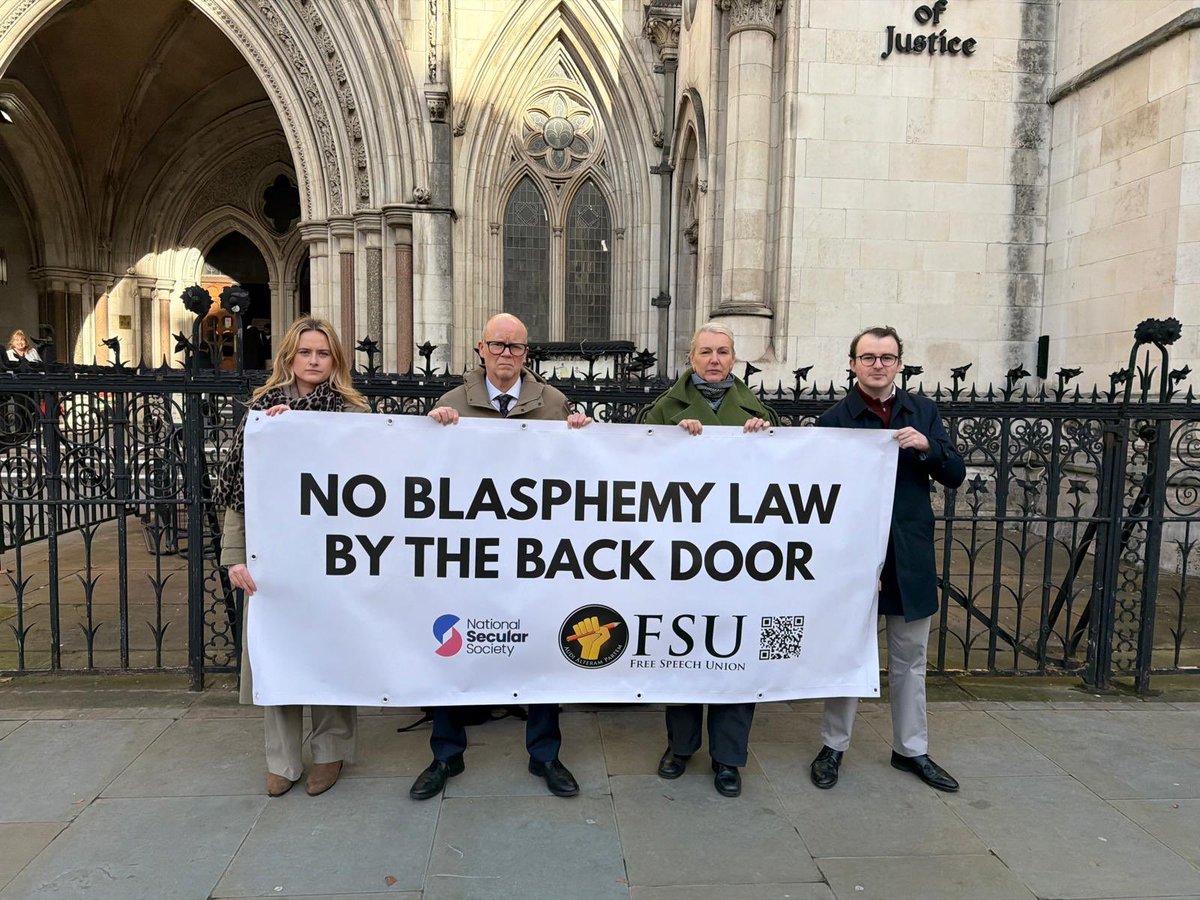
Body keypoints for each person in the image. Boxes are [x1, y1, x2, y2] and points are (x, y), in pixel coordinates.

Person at [410, 312, 592, 801]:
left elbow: (574, 472)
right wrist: (433, 428)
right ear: (481, 348)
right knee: (451, 649)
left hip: (533, 555)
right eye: (498, 345)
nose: (507, 354)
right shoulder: (452, 403)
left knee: (541, 650)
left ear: (526, 354)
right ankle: (446, 753)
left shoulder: (552, 403)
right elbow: (428, 471)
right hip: (470, 555)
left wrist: (580, 431)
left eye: (516, 347)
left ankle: (545, 754)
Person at [214, 316, 369, 798]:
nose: (314, 361)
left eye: (323, 353)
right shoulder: (261, 413)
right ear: (289, 357)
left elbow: (375, 482)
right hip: (274, 556)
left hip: (332, 554)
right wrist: (234, 556)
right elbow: (238, 492)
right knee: (278, 652)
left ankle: (329, 752)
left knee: (329, 652)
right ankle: (281, 759)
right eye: (306, 353)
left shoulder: (354, 413)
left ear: (336, 360)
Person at [809, 325, 965, 793]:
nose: (878, 365)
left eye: (888, 357)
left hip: (909, 555)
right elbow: (824, 501)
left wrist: (927, 447)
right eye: (869, 357)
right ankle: (834, 745)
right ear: (853, 364)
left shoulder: (925, 412)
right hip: (856, 561)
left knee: (910, 658)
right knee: (848, 654)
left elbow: (955, 472)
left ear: (899, 364)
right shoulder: (834, 421)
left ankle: (911, 749)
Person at [635, 321, 778, 798]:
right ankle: (681, 747)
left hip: (738, 556)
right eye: (705, 352)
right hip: (682, 554)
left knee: (735, 652)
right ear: (690, 358)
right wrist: (670, 437)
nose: (714, 360)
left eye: (722, 352)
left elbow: (782, 475)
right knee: (682, 649)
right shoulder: (665, 408)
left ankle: (728, 757)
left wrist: (763, 438)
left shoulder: (757, 411)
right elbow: (634, 461)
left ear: (734, 360)